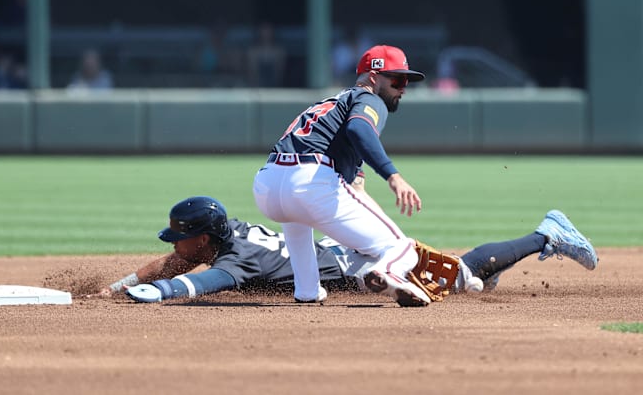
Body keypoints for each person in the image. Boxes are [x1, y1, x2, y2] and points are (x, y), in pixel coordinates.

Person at [111, 196, 598, 304]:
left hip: (366, 265)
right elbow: (175, 261)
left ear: (204, 238)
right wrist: (127, 282)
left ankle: (546, 234)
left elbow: (196, 280)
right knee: (460, 275)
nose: (178, 244)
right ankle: (483, 271)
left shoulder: (236, 259)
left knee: (459, 274)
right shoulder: (227, 233)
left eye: (182, 236)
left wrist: (157, 293)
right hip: (346, 258)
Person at [252, 44, 432, 305]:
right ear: (373, 77)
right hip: (310, 180)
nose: (403, 87)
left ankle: (307, 291)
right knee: (403, 249)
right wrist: (393, 176)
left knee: (297, 220)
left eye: (406, 80)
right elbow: (359, 130)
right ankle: (389, 271)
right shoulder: (369, 98)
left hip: (267, 184)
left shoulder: (330, 104)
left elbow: (355, 188)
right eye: (397, 79)